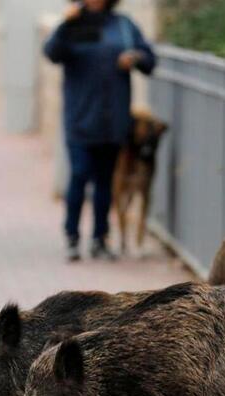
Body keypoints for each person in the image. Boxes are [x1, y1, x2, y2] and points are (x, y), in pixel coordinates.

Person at [43, 0, 156, 261]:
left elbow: (150, 59)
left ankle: (100, 239)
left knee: (105, 181)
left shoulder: (123, 25)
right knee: (80, 174)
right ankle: (72, 236)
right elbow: (52, 52)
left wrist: (135, 58)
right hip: (80, 117)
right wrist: (65, 23)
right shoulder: (73, 25)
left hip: (112, 119)